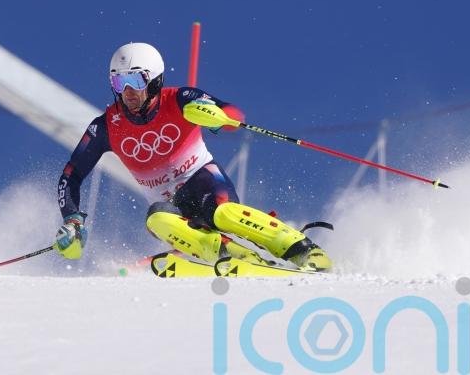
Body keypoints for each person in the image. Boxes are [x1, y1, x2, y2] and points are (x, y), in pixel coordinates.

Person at [55, 42, 331, 271]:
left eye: (135, 80)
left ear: (154, 80)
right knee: (156, 219)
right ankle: (234, 256)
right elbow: (72, 174)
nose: (127, 91)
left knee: (220, 212)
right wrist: (72, 220)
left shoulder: (180, 98)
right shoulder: (106, 126)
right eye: (119, 81)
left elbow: (232, 114)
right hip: (172, 206)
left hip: (204, 180)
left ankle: (301, 248)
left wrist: (216, 116)